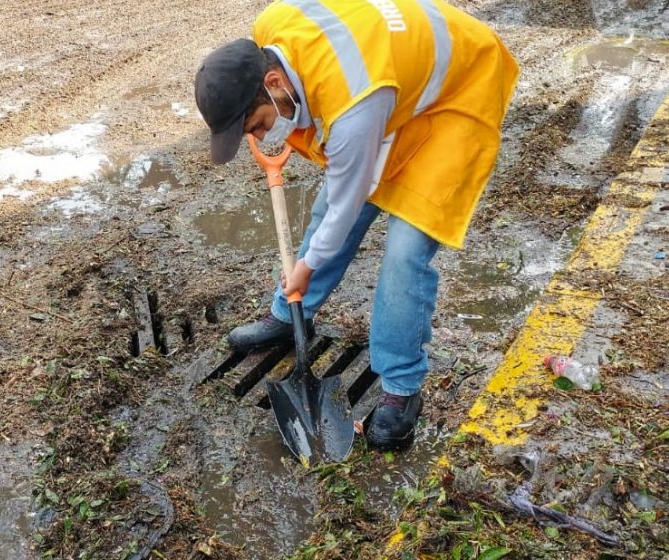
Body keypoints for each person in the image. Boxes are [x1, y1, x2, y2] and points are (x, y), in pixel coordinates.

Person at [194, 0, 518, 450]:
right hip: (395, 82)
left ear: (273, 83)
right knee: (331, 210)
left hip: (459, 89)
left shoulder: (355, 100)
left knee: (405, 251)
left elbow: (350, 196)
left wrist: (306, 266)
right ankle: (291, 315)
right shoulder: (272, 29)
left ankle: (401, 390)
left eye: (257, 124)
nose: (259, 137)